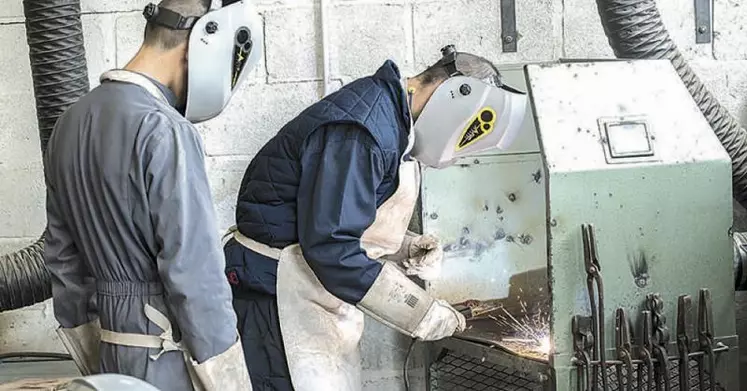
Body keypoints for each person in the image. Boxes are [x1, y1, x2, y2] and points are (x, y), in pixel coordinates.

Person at [223, 44, 528, 390]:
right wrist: (421, 312)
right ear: (456, 99)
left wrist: (404, 246)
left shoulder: (390, 120)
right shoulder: (364, 130)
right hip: (274, 295)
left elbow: (338, 213)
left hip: (301, 283)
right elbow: (332, 246)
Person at [43, 1, 264, 390]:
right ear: (199, 46)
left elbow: (63, 260)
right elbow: (194, 273)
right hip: (165, 356)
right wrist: (230, 379)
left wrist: (93, 356)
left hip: (109, 355)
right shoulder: (163, 129)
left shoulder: (69, 123)